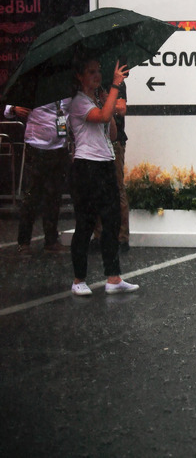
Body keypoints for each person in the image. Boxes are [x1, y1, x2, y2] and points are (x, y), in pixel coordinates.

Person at [67, 57, 138, 296]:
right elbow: (102, 117)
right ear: (80, 76)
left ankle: (113, 277)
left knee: (112, 222)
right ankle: (79, 279)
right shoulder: (78, 101)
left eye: (98, 71)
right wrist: (115, 87)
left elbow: (113, 132)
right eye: (91, 72)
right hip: (87, 167)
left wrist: (110, 104)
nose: (97, 76)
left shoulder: (97, 99)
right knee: (86, 223)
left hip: (106, 163)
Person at [4, 101, 71, 255]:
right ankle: (24, 242)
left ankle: (51, 241)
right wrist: (15, 109)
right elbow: (7, 111)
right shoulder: (35, 88)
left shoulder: (67, 90)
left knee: (54, 197)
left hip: (59, 147)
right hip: (36, 147)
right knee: (32, 196)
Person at [92, 81, 130, 251]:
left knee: (116, 187)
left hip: (114, 141)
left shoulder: (116, 83)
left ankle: (121, 237)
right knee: (97, 189)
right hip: (93, 141)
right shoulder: (88, 83)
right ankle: (99, 235)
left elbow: (122, 108)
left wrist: (106, 104)